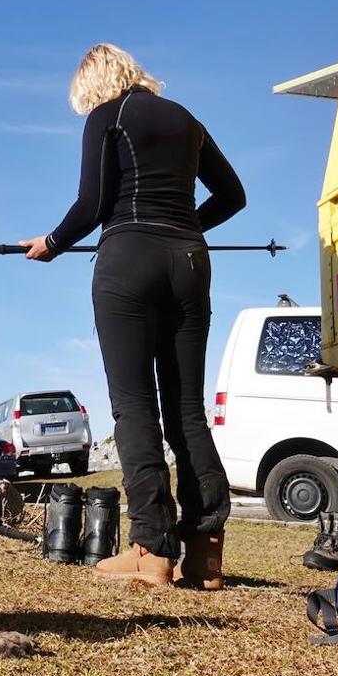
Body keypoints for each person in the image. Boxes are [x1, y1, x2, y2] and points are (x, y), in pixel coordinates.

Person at [20, 43, 246, 588]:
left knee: (134, 406)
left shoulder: (109, 115)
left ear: (93, 85)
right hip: (190, 262)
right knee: (186, 408)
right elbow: (233, 195)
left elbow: (93, 203)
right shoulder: (186, 119)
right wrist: (184, 228)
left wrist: (52, 242)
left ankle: (151, 550)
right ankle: (205, 554)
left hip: (128, 261)